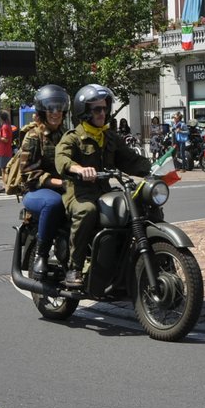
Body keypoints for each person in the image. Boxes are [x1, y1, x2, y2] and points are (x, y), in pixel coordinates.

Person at [54, 84, 152, 288]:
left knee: (139, 205)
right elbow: (61, 158)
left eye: (104, 108)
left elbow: (129, 159)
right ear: (84, 111)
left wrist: (153, 169)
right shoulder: (73, 137)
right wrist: (78, 169)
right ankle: (74, 268)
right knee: (87, 211)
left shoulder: (109, 137)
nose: (102, 113)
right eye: (96, 109)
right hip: (79, 193)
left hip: (104, 192)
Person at [18, 85, 71, 276]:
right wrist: (58, 183)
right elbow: (28, 173)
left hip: (65, 186)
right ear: (42, 110)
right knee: (53, 203)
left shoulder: (67, 135)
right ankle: (41, 255)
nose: (55, 112)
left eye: (59, 108)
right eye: (50, 108)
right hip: (35, 190)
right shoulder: (33, 137)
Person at [0, 111, 19, 190]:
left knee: (4, 169)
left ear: (1, 118)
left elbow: (5, 139)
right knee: (5, 169)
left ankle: (5, 186)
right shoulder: (7, 126)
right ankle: (6, 185)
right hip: (6, 150)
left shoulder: (5, 126)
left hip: (3, 150)